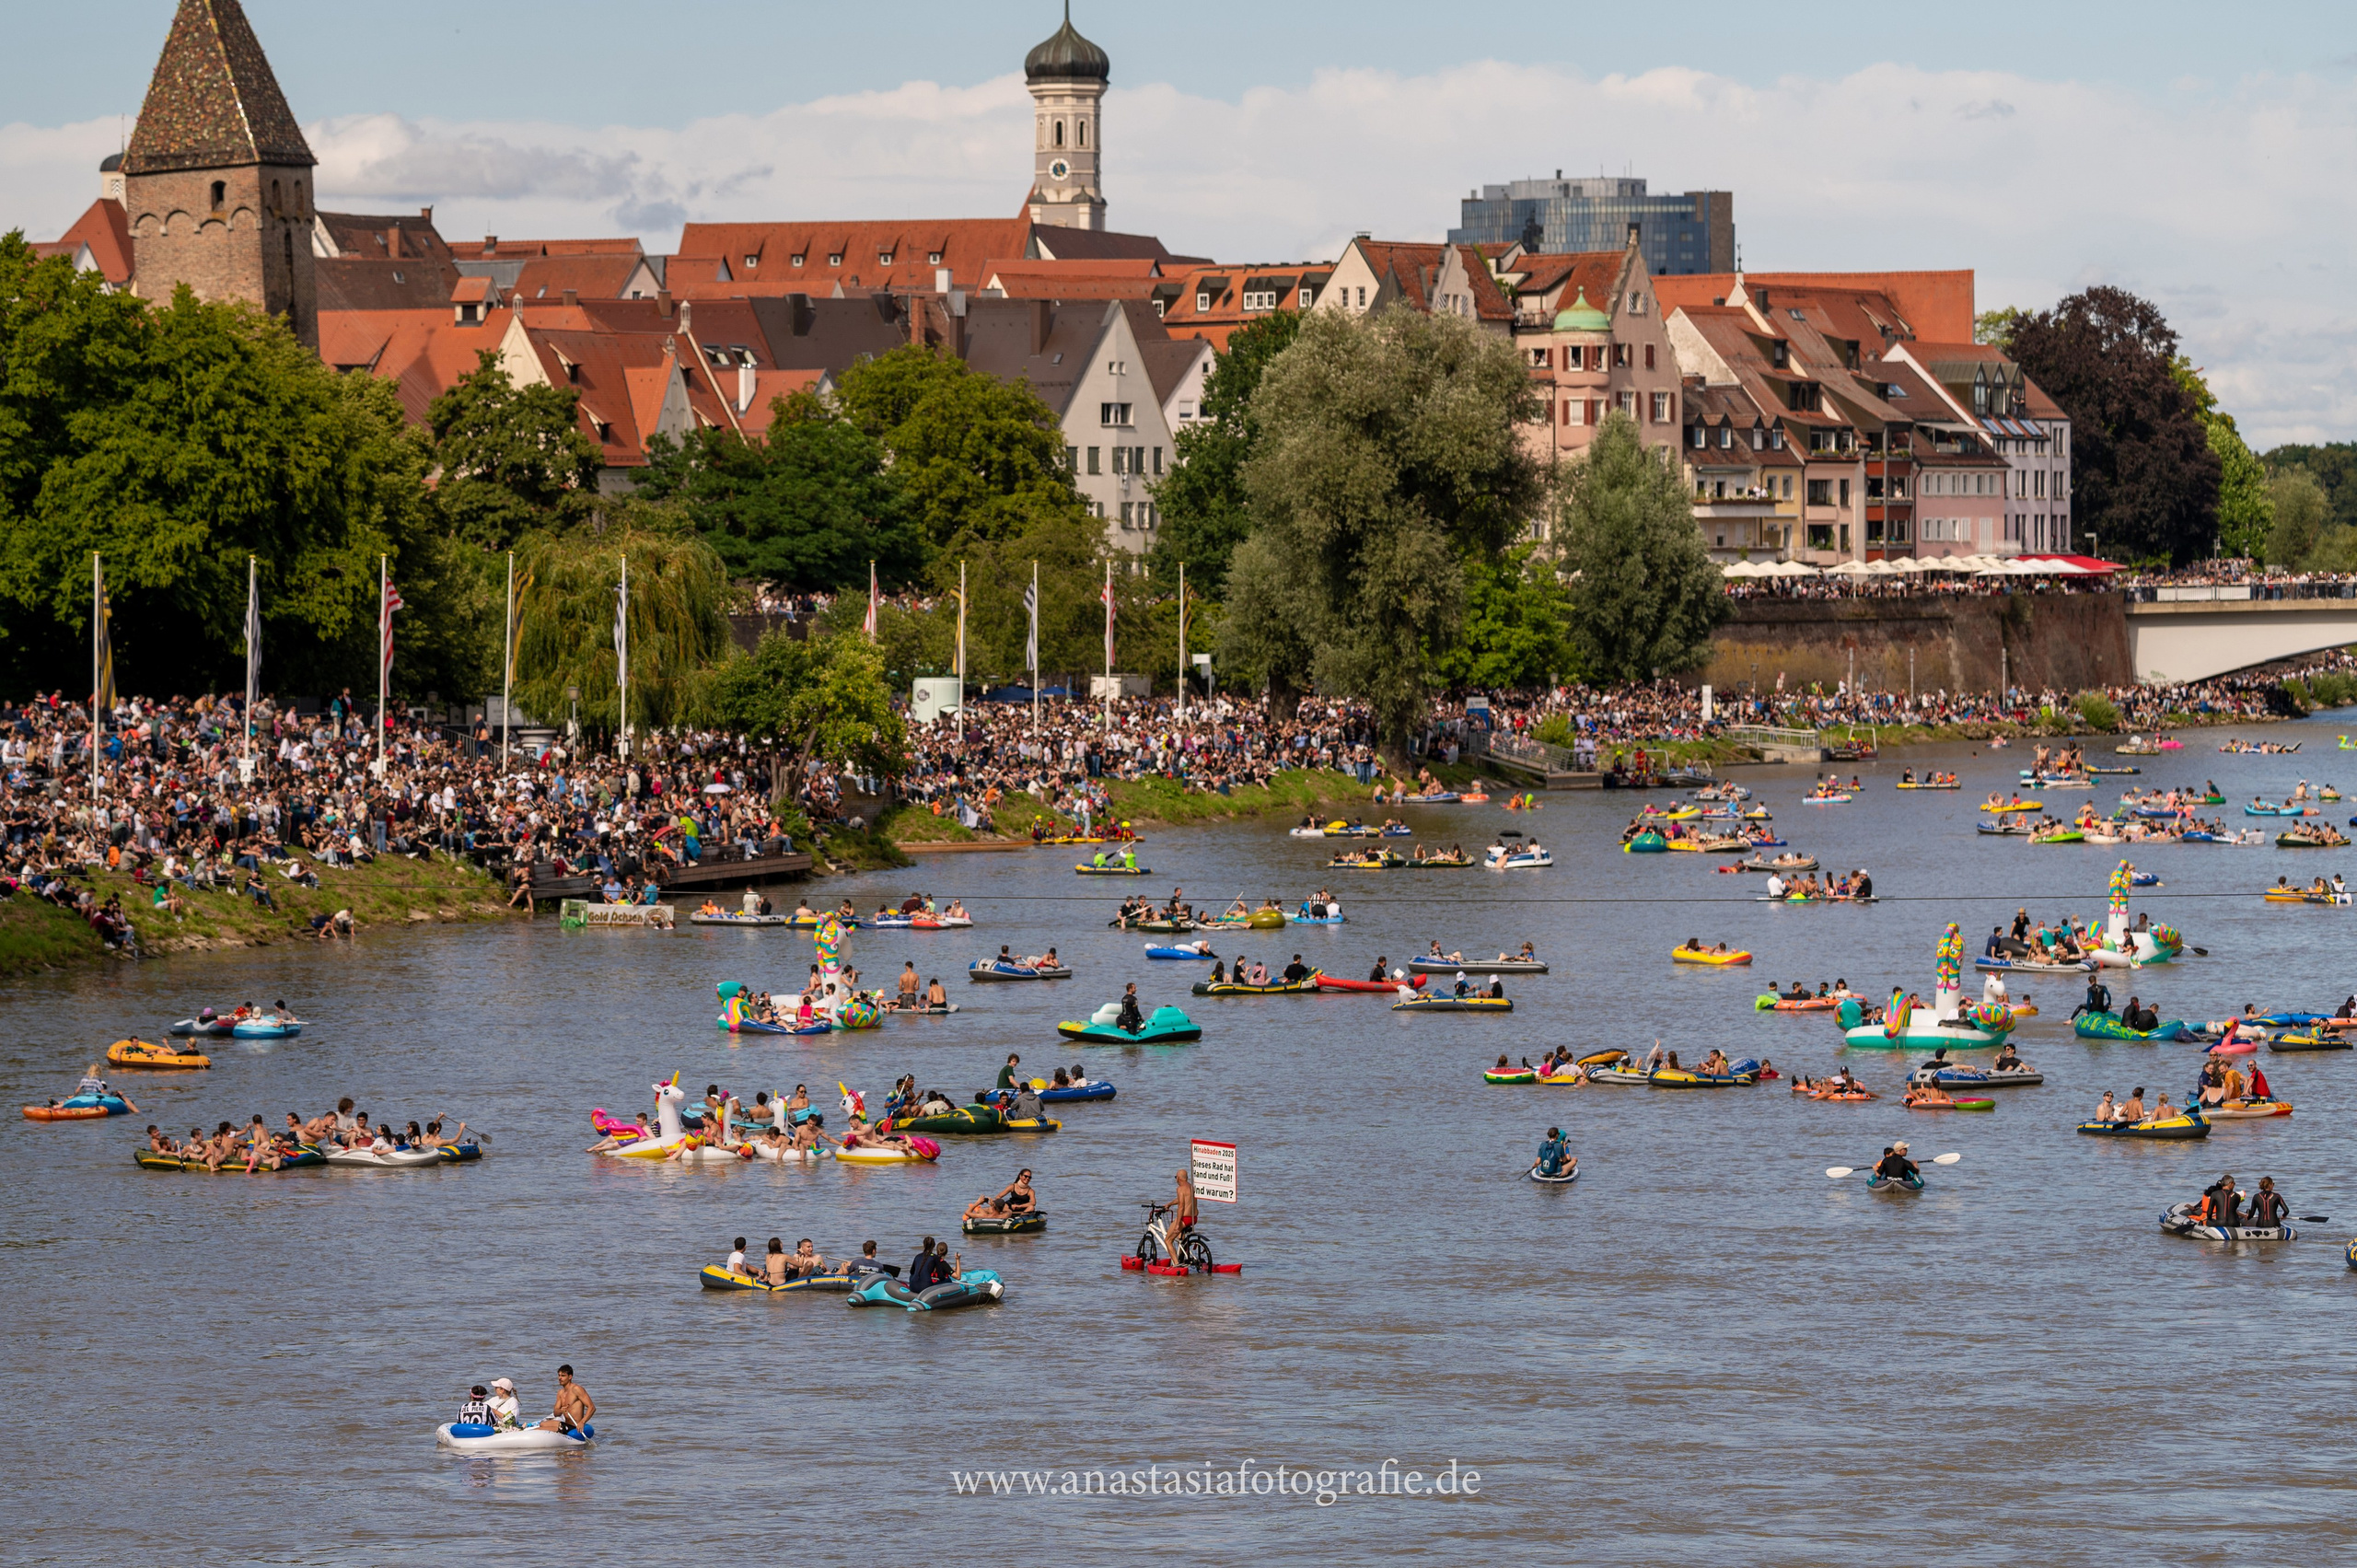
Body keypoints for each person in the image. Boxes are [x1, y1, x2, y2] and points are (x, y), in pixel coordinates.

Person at [539, 1365, 593, 1434]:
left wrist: (582, 1422)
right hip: (565, 1424)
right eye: (559, 1375)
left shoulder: (576, 1389)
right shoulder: (560, 1393)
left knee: (538, 1430)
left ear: (570, 1377)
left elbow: (592, 1407)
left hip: (574, 1426)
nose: (560, 1378)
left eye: (563, 1376)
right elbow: (556, 1413)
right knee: (542, 1424)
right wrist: (561, 1410)